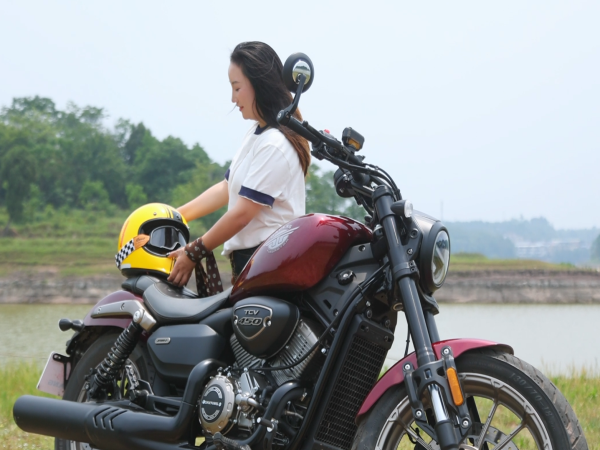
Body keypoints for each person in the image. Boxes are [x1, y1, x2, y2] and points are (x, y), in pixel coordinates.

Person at [167, 41, 310, 292]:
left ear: (259, 85)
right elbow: (226, 188)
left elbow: (242, 214)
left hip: (269, 268)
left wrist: (194, 252)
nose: (233, 99)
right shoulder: (257, 134)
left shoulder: (275, 144)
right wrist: (174, 216)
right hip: (253, 267)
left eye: (237, 88)